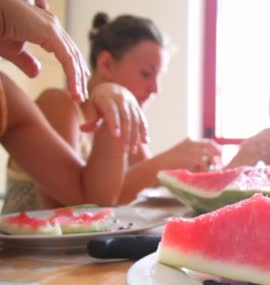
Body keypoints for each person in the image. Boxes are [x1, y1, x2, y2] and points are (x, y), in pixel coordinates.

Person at [2, 12, 221, 213]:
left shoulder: (122, 123)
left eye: (158, 77)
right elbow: (78, 208)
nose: (155, 89)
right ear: (106, 64)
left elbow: (153, 186)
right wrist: (166, 161)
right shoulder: (59, 105)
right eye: (146, 74)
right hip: (29, 255)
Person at [0, 0, 146, 210]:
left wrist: (117, 103)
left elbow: (88, 201)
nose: (38, 5)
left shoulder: (7, 95)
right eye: (146, 74)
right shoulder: (58, 103)